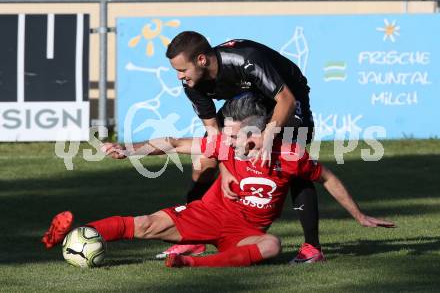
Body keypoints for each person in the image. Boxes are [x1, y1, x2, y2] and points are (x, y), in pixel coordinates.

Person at [42, 95, 395, 267]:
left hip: (243, 233)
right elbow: (175, 143)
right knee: (146, 223)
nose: (228, 139)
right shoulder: (225, 143)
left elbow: (329, 178)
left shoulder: (288, 157)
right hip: (206, 214)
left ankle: (191, 262)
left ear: (257, 134)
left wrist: (359, 216)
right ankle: (76, 235)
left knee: (271, 246)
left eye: (236, 134)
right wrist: (128, 149)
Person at [162, 31, 322, 262]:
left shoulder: (246, 59)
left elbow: (285, 99)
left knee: (292, 163)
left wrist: (268, 136)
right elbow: (215, 135)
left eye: (182, 69)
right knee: (204, 160)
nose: (179, 76)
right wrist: (226, 168)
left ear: (202, 60)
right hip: (247, 101)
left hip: (287, 94)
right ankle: (194, 238)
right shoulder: (192, 84)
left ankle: (312, 248)